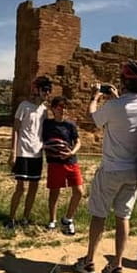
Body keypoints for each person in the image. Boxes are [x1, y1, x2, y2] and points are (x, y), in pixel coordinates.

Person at [74, 60, 137, 273]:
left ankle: (88, 262)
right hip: (133, 171)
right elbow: (127, 115)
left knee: (99, 214)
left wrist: (95, 97)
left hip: (111, 169)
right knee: (123, 217)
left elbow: (94, 118)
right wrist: (117, 97)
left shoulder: (114, 107)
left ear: (124, 81)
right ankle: (116, 265)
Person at [7, 75, 53, 228]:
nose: (47, 93)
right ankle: (11, 218)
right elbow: (15, 129)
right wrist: (13, 152)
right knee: (21, 188)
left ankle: (25, 218)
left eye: (49, 90)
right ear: (37, 90)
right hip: (23, 151)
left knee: (34, 187)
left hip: (37, 153)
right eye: (45, 90)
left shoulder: (44, 110)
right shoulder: (24, 106)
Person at [42, 96, 83, 234]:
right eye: (60, 106)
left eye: (65, 107)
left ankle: (68, 219)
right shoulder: (47, 124)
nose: (63, 109)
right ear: (53, 108)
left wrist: (71, 153)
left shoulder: (70, 125)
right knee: (54, 192)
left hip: (70, 161)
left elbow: (78, 142)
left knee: (79, 192)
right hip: (55, 163)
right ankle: (52, 220)